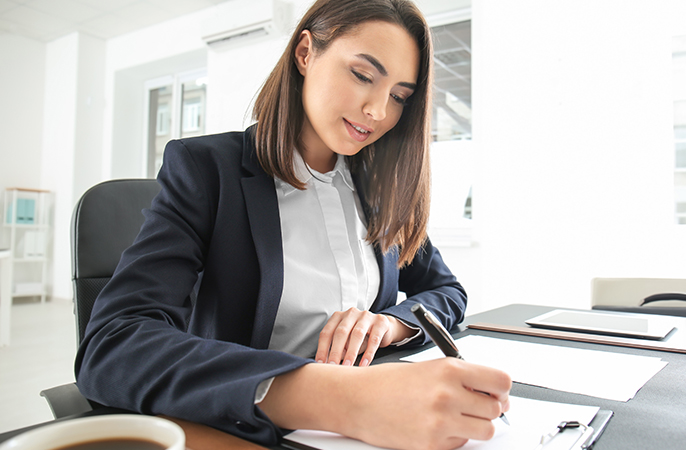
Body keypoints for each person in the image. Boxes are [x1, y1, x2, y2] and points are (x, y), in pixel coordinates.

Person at [75, 0, 511, 449]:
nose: (378, 110)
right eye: (363, 75)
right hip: (260, 427)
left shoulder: (379, 190)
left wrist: (390, 324)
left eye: (399, 96)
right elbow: (113, 346)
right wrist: (342, 400)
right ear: (305, 53)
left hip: (378, 417)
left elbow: (447, 291)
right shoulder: (207, 171)